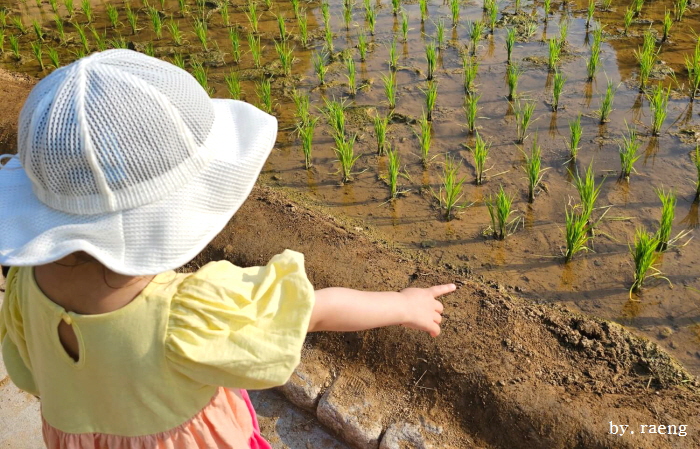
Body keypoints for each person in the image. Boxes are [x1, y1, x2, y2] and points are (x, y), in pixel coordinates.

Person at [0, 50, 456, 449]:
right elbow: (312, 311)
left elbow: (28, 373)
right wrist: (402, 303)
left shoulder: (23, 284)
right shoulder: (184, 313)